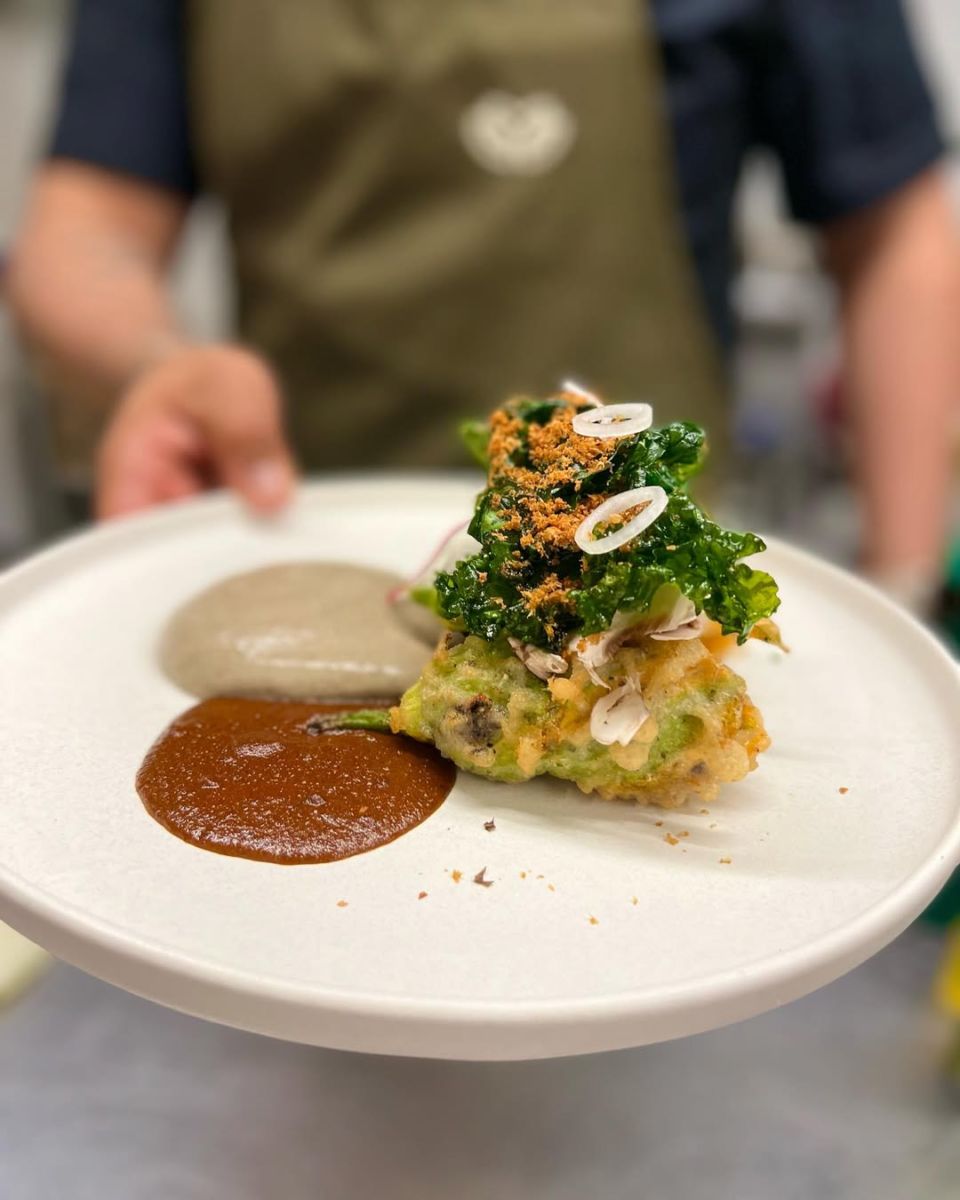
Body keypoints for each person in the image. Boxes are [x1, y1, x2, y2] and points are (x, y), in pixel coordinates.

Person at [7, 0, 959, 607]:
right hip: (295, 528)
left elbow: (892, 235)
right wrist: (157, 365)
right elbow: (88, 228)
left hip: (642, 556)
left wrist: (903, 579)